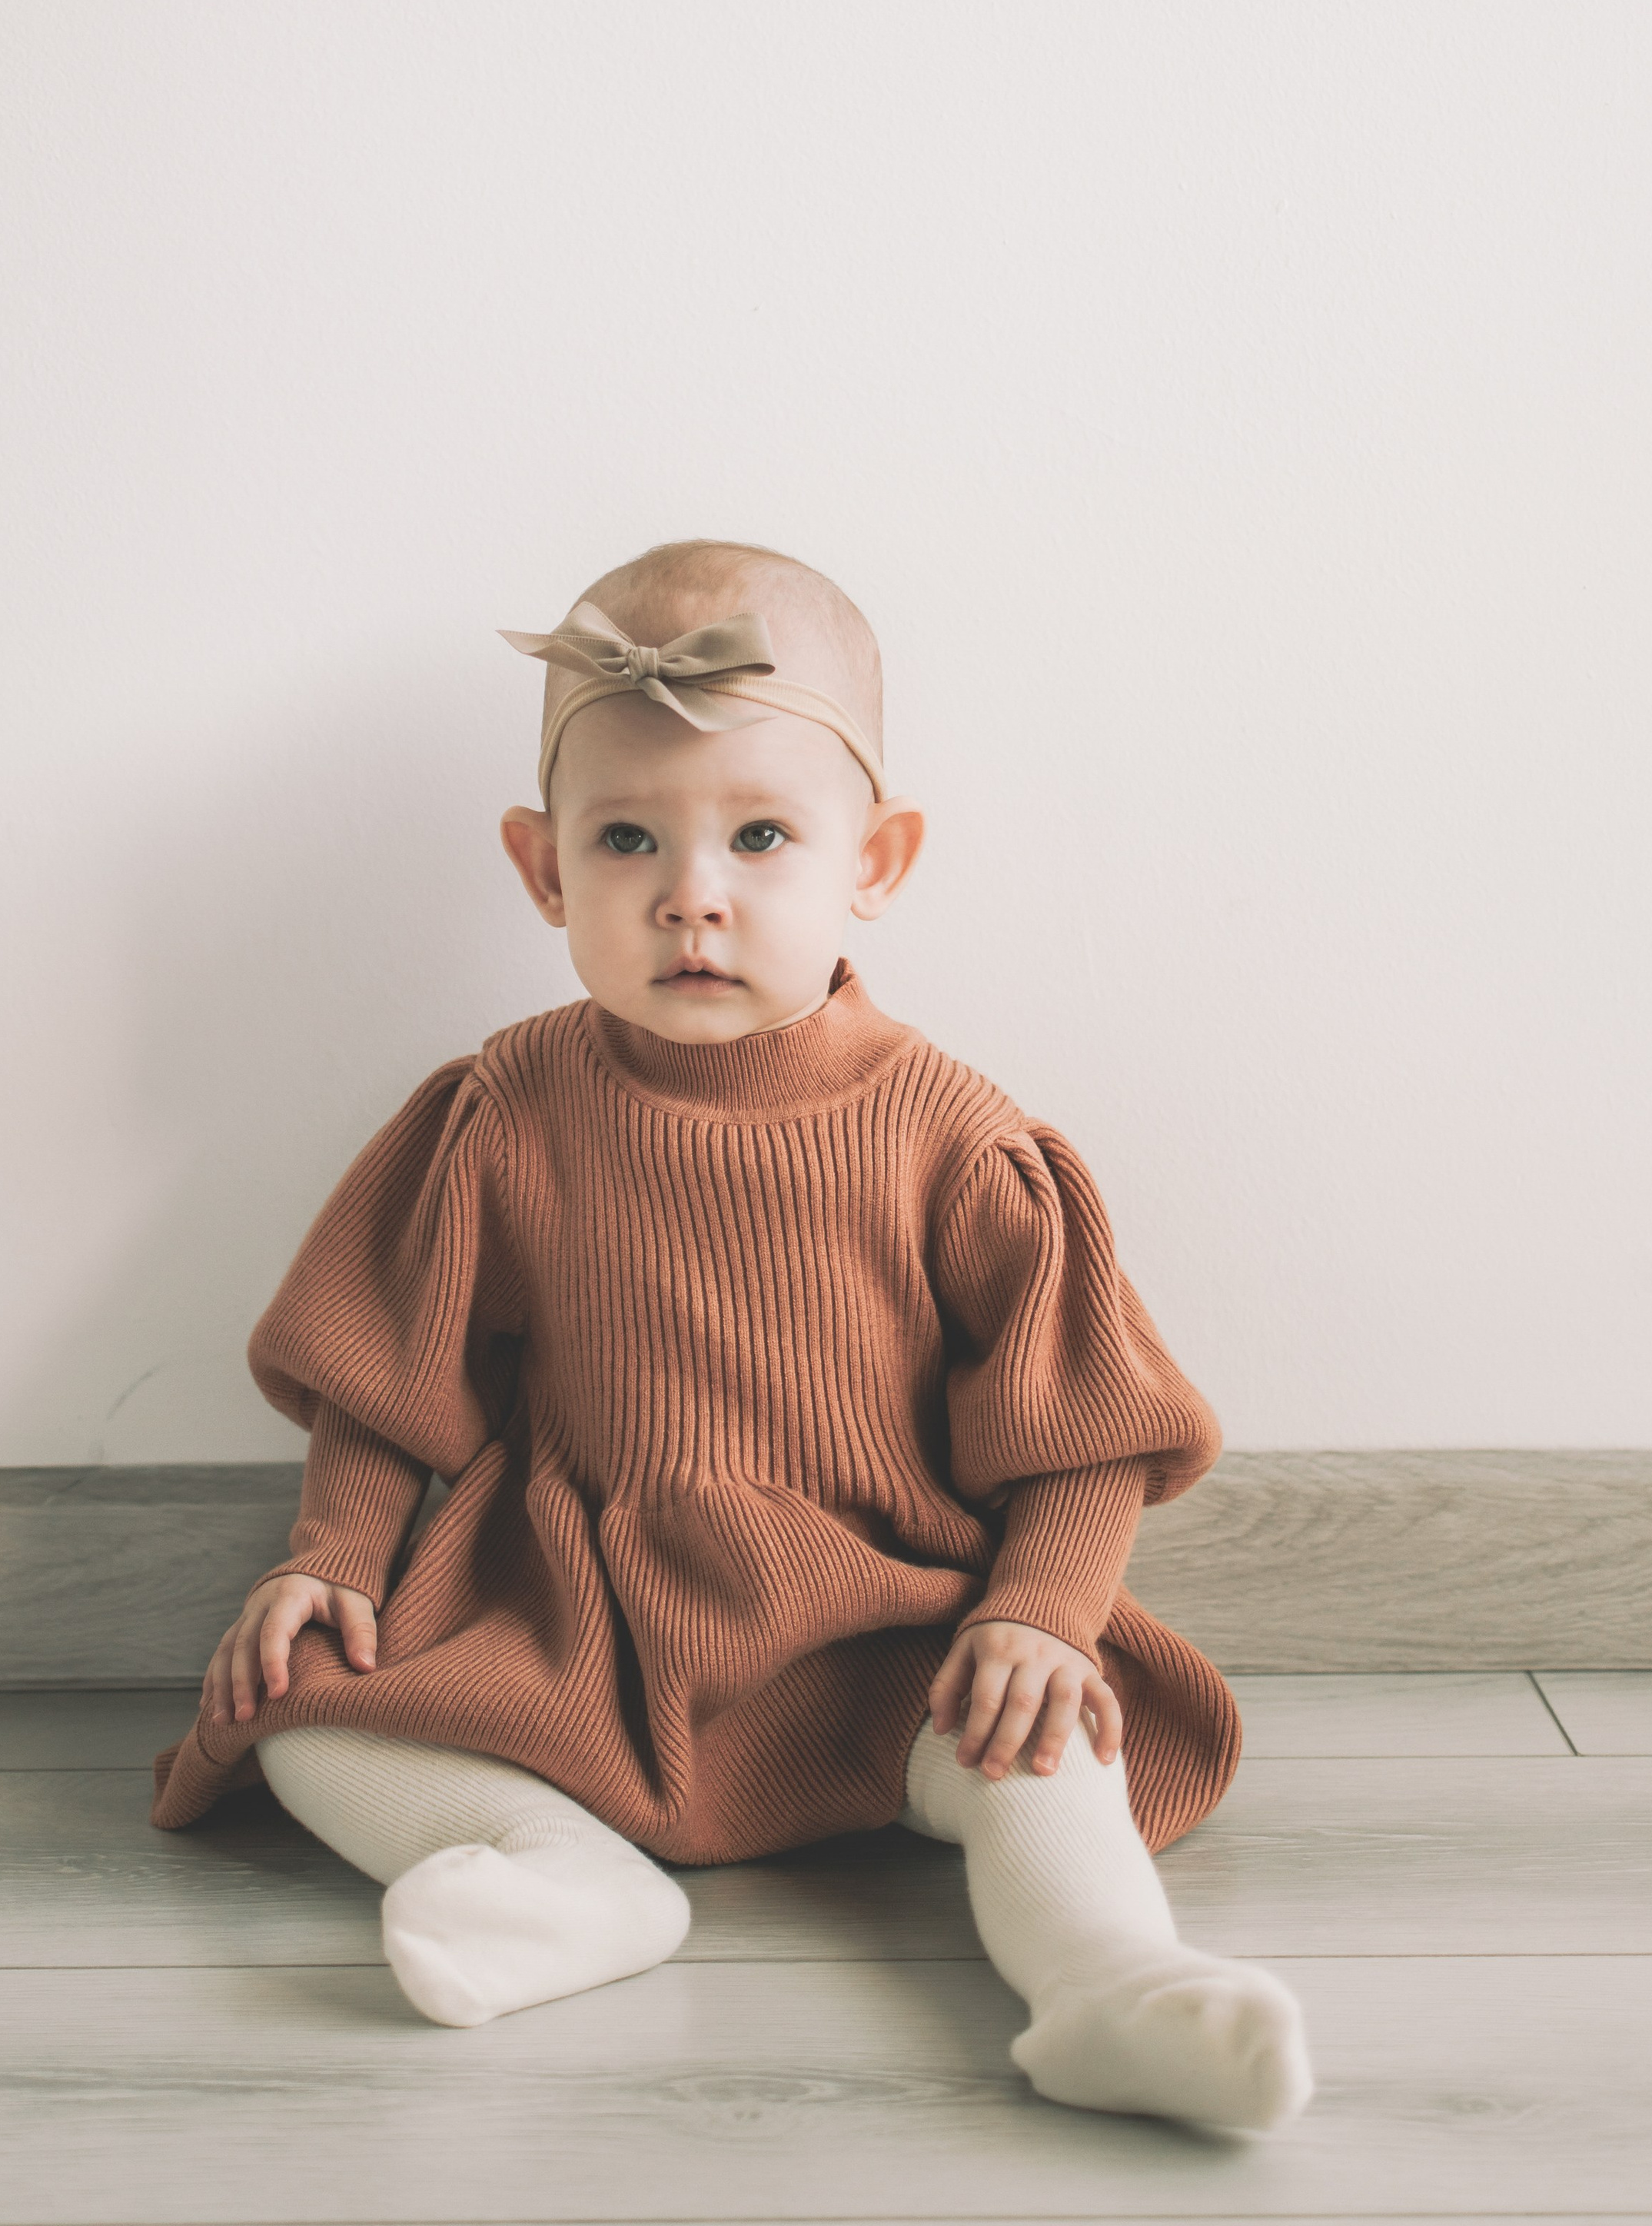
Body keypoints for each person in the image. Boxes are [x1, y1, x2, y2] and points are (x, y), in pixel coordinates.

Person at [151, 537, 1312, 2130]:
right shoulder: (505, 1108)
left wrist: (1040, 1614)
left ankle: (1110, 1983)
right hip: (573, 1619)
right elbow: (387, 1376)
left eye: (759, 835)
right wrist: (335, 1554)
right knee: (291, 1721)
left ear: (874, 861)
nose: (690, 894)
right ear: (543, 869)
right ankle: (565, 1877)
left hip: (877, 1632)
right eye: (625, 838)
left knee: (1043, 1749)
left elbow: (1081, 1428)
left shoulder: (951, 1139)